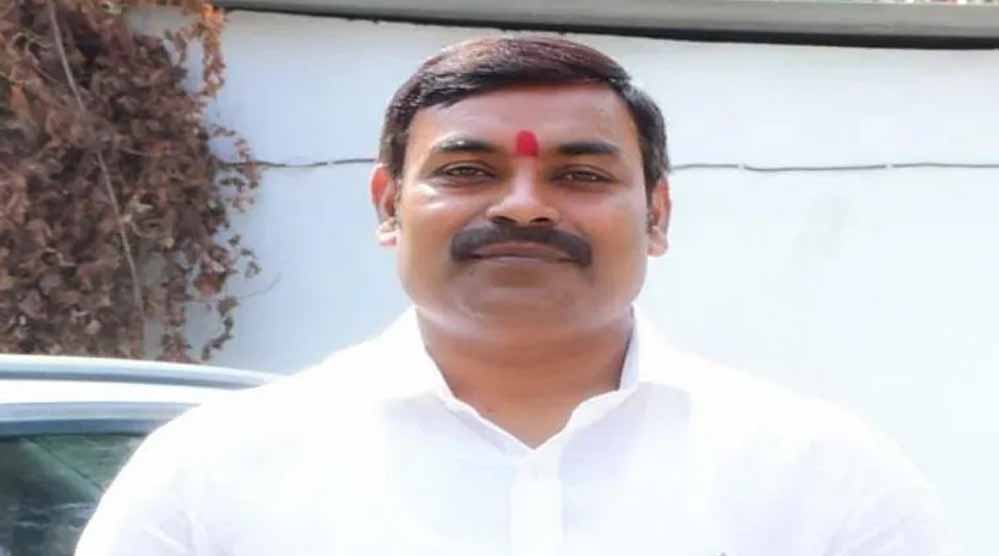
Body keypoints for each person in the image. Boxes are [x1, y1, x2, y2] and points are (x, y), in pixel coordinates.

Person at [76, 36, 950, 556]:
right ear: (387, 208)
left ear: (656, 215)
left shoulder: (819, 478)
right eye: (466, 171)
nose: (524, 205)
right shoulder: (211, 473)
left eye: (580, 174)